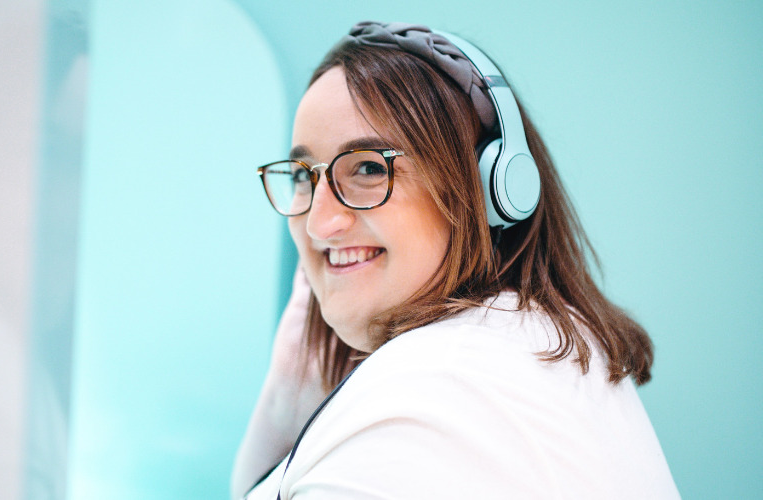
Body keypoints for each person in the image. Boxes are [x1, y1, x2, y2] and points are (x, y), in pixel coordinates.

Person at [232, 21, 679, 499]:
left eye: (367, 168)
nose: (320, 224)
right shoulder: (541, 339)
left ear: (487, 188)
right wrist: (289, 390)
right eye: (303, 177)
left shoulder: (424, 399)